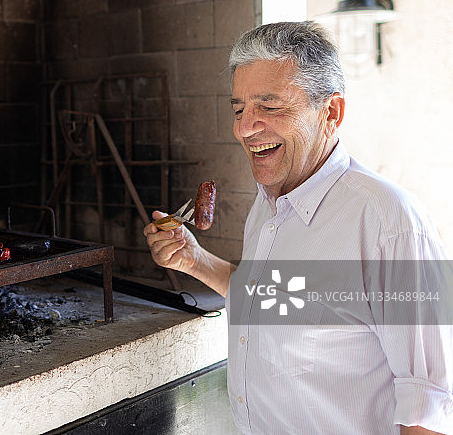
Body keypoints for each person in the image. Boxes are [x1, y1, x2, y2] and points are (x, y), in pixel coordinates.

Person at [144, 21, 453, 434]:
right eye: (239, 109)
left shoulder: (390, 224)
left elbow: (429, 405)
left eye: (269, 107)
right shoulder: (269, 203)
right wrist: (195, 260)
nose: (243, 128)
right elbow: (277, 299)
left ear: (331, 113)